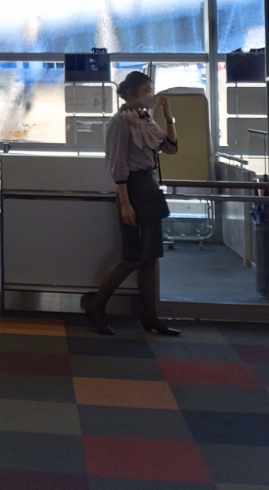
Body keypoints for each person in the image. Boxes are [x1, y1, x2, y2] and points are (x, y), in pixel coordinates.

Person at [82, 71, 181, 337]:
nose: (151, 95)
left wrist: (168, 116)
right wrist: (125, 204)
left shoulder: (145, 119)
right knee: (132, 257)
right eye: (146, 91)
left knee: (150, 257)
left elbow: (171, 147)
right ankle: (97, 306)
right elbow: (118, 165)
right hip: (133, 190)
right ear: (131, 94)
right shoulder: (119, 122)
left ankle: (150, 316)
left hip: (149, 186)